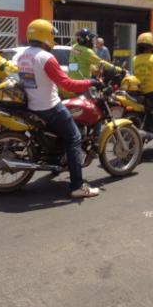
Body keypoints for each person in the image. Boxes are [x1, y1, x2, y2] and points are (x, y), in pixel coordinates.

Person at [17, 19, 100, 198]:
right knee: (74, 137)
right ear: (45, 35)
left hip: (32, 105)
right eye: (52, 34)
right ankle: (77, 186)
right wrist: (91, 82)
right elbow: (68, 84)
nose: (53, 38)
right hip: (49, 106)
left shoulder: (24, 55)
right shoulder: (46, 57)